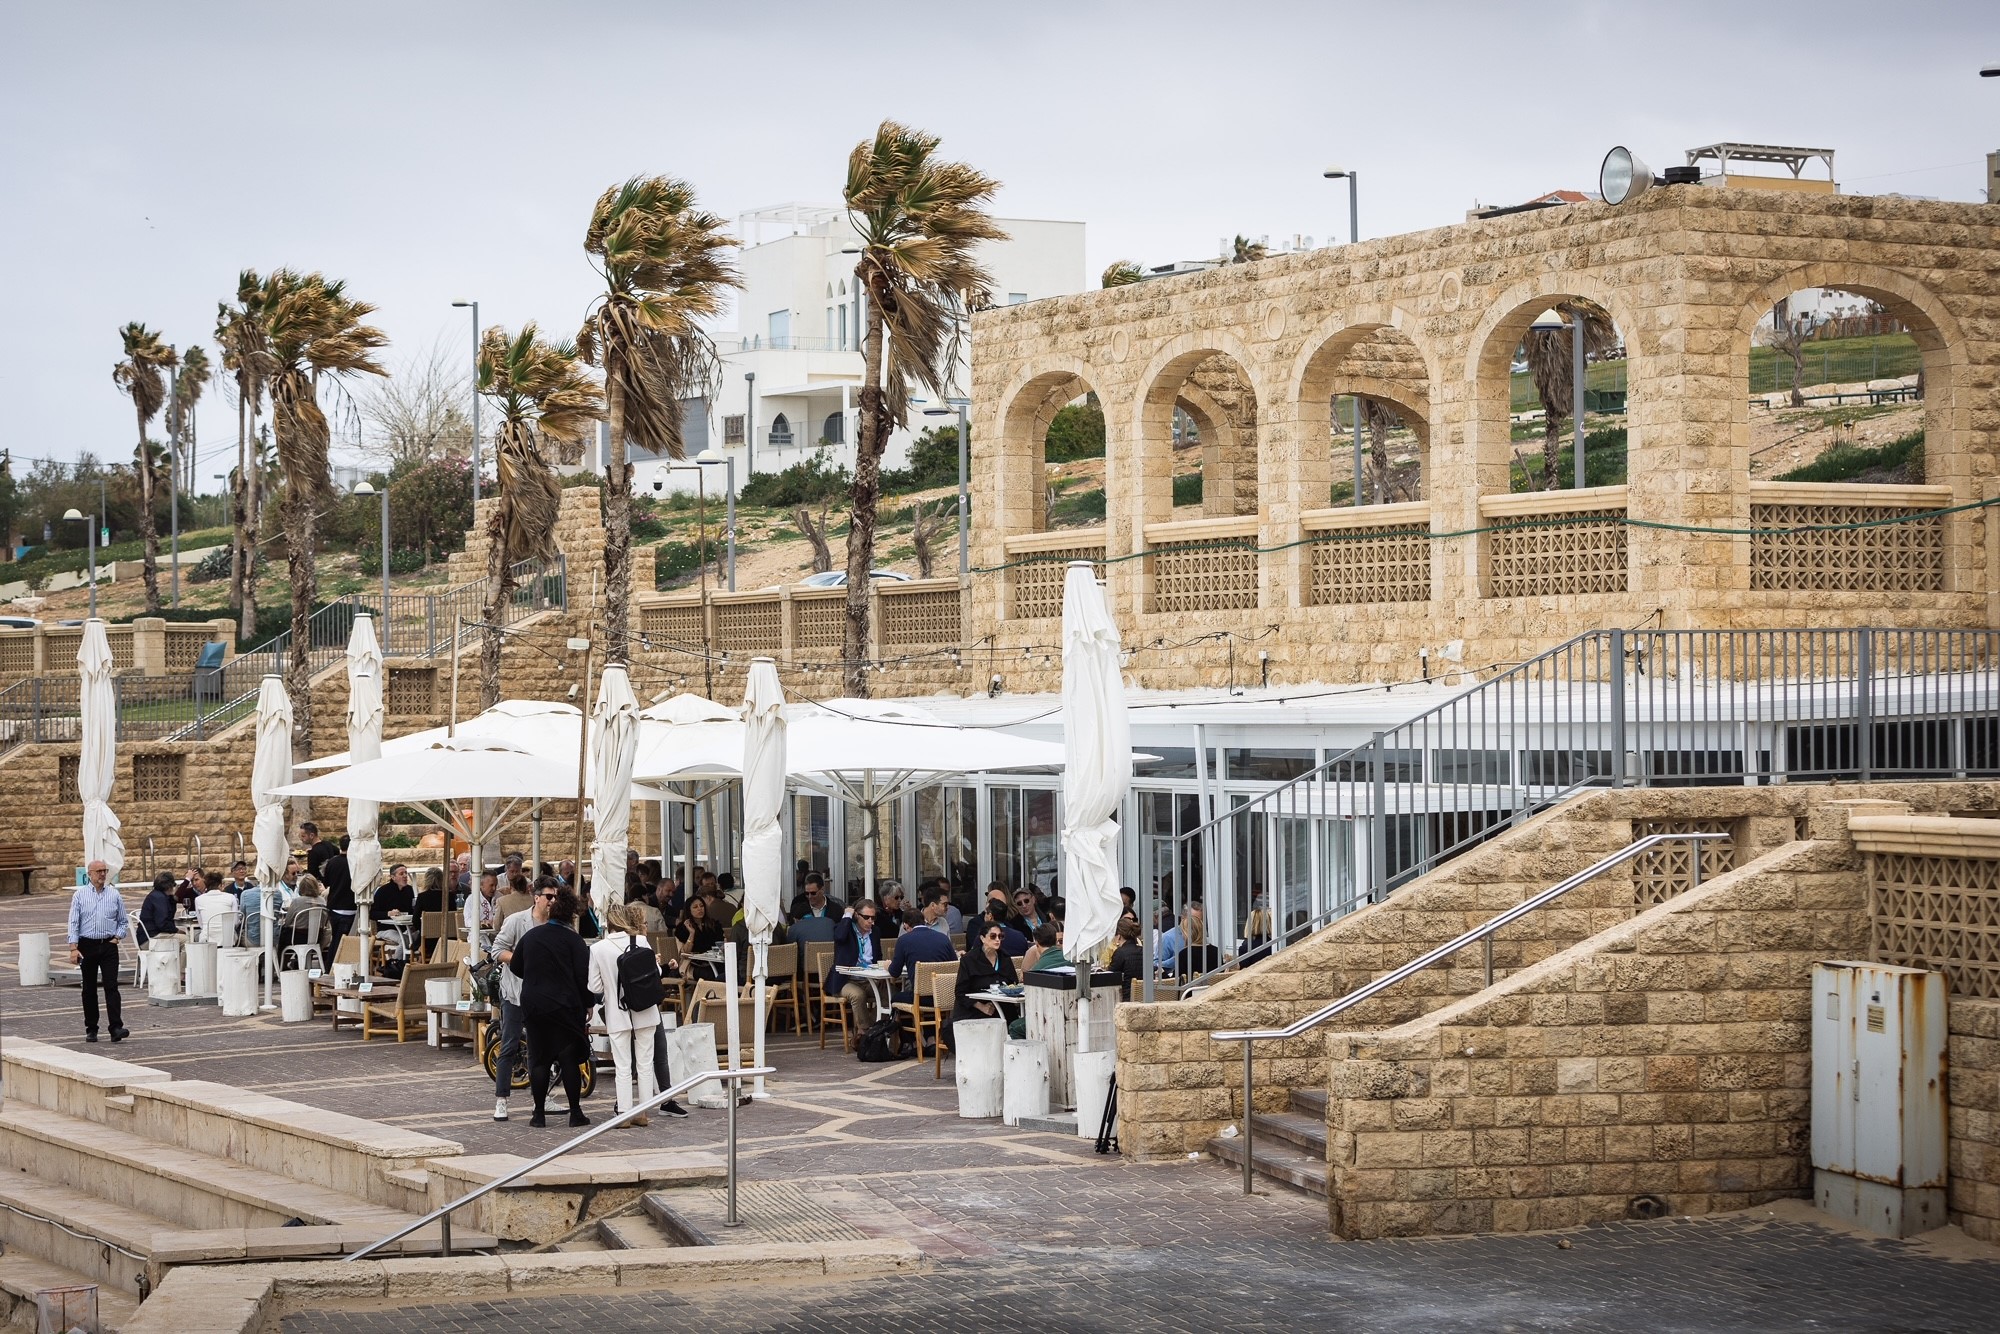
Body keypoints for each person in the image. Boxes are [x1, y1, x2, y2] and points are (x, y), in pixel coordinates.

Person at [509, 884, 595, 1128]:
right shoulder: (574, 941)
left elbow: (516, 966)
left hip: (534, 1002)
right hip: (564, 1004)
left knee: (539, 1058)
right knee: (568, 1057)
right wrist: (588, 1004)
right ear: (571, 916)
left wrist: (536, 975)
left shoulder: (532, 936)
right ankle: (575, 1112)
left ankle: (538, 1114)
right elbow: (583, 977)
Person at [588, 902, 662, 1125]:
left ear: (608, 923)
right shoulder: (640, 940)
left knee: (622, 1065)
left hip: (617, 1013)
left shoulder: (598, 949)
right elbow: (656, 973)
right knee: (645, 1063)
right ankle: (644, 1112)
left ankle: (624, 1113)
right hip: (646, 1010)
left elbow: (594, 987)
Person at [489, 877, 552, 1121]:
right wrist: (521, 961)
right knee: (509, 1044)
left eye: (555, 897)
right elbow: (497, 950)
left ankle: (542, 1097)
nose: (552, 901)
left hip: (544, 995)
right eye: (549, 896)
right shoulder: (517, 921)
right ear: (537, 897)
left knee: (543, 1048)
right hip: (515, 992)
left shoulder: (556, 924)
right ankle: (501, 1099)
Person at [67, 860, 129, 1043]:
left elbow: (123, 921)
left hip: (108, 945)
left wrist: (117, 937)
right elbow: (73, 922)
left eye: (105, 871)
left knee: (112, 986)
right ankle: (91, 1028)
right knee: (89, 989)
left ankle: (116, 1027)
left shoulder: (114, 895)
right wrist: (73, 947)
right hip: (87, 945)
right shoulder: (80, 895)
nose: (102, 874)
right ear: (90, 873)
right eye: (99, 871)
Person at [947, 919, 1019, 1047]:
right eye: (993, 936)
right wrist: (981, 1006)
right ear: (982, 938)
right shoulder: (969, 960)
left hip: (1002, 1006)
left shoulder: (1005, 958)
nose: (997, 940)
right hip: (975, 1009)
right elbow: (960, 992)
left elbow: (1013, 983)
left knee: (1016, 1025)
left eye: (1000, 936)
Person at [825, 898, 885, 1038]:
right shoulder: (846, 929)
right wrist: (847, 915)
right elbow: (839, 937)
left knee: (889, 994)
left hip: (869, 978)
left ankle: (875, 1027)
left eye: (873, 917)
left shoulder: (875, 932)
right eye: (866, 917)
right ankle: (863, 1032)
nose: (871, 921)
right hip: (846, 980)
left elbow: (878, 956)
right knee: (858, 995)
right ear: (857, 915)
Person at [887, 886, 956, 1007]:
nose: (947, 907)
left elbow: (895, 971)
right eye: (945, 904)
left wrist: (888, 966)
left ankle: (903, 1024)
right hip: (943, 993)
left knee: (895, 997)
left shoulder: (904, 940)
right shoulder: (943, 938)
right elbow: (953, 965)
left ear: (906, 925)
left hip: (919, 994)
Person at [280, 874, 332, 956]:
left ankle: (283, 964)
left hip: (297, 938)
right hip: (317, 937)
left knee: (281, 936)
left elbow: (287, 922)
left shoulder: (297, 902)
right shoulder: (322, 901)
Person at [674, 895, 724, 979]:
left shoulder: (713, 925)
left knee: (727, 972)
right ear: (689, 910)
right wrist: (691, 933)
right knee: (711, 975)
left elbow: (720, 943)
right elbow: (685, 953)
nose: (699, 909)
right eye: (695, 907)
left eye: (701, 906)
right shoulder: (682, 928)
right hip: (693, 964)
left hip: (715, 961)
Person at [323, 835, 356, 952]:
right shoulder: (355, 864)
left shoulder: (331, 862)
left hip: (334, 907)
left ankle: (331, 967)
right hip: (350, 908)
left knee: (336, 941)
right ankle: (333, 967)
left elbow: (326, 882)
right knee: (342, 945)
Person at [1106, 917, 1148, 999]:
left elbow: (1110, 976)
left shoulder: (1120, 953)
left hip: (1126, 998)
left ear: (1119, 936)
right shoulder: (1144, 951)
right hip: (1146, 996)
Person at [1156, 901, 1203, 973]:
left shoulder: (1202, 935)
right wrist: (1176, 959)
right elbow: (1156, 964)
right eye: (1193, 920)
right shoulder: (1167, 938)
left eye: (1200, 920)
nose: (1197, 924)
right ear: (1182, 918)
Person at [194, 872, 238, 945]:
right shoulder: (231, 897)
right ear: (220, 885)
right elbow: (235, 922)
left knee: (196, 936)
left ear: (206, 886)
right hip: (228, 940)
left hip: (207, 940)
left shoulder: (198, 899)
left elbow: (201, 924)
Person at [138, 871, 181, 941]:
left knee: (181, 938)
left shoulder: (157, 895)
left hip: (147, 936)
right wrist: (176, 930)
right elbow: (162, 923)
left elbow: (169, 917)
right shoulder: (160, 898)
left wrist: (172, 898)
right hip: (152, 937)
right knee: (186, 940)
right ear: (170, 886)